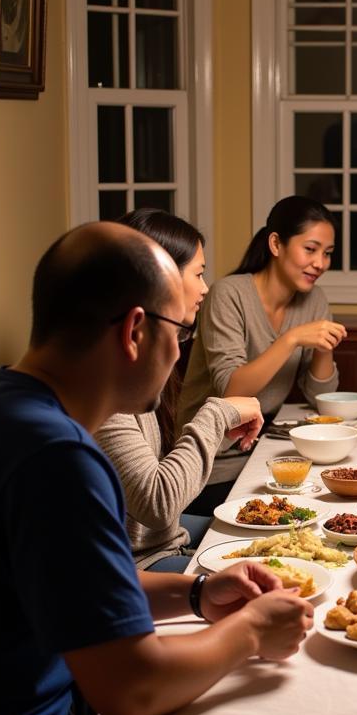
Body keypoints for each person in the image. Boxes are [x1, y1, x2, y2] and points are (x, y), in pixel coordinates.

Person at [0, 223, 313, 715]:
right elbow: (132, 690)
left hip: (24, 703)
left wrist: (193, 595)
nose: (177, 353)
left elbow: (64, 578)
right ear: (135, 330)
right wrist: (248, 632)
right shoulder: (58, 456)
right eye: (181, 334)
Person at [96, 209, 264, 572]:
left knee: (275, 542)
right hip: (140, 565)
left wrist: (216, 431)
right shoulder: (107, 389)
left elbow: (152, 491)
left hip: (163, 540)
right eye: (199, 273)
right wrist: (217, 414)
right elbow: (158, 504)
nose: (205, 287)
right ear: (161, 278)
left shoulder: (134, 367)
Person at [178, 196, 346, 512]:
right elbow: (232, 390)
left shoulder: (313, 299)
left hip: (264, 454)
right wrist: (292, 338)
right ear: (276, 244)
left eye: (327, 254)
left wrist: (325, 345)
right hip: (209, 466)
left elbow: (320, 396)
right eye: (310, 249)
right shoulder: (228, 294)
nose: (320, 263)